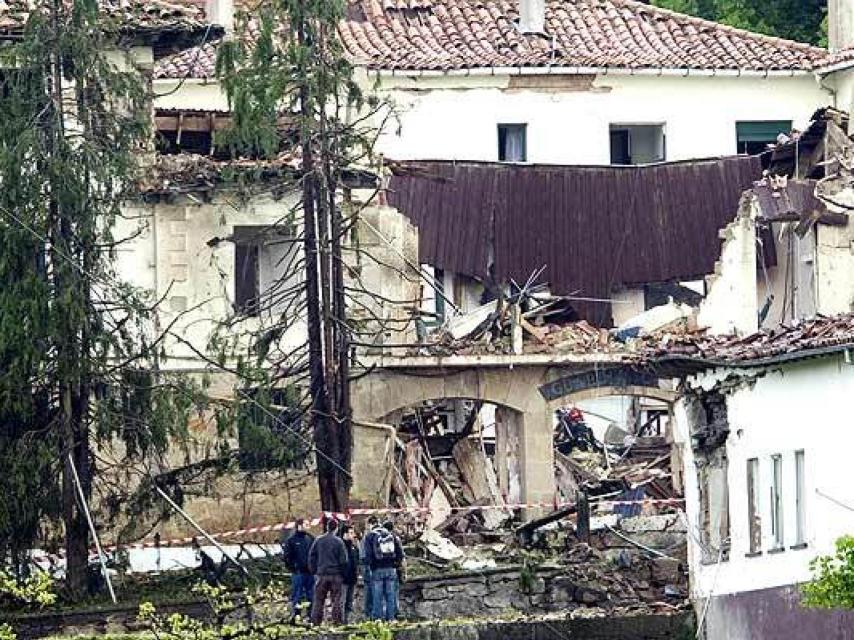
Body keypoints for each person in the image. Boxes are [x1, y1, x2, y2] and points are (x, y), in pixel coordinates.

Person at [308, 518, 348, 625]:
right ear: (336, 528)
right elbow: (344, 560)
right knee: (336, 600)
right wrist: (344, 574)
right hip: (336, 575)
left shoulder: (318, 540)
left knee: (318, 600)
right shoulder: (339, 542)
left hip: (321, 574)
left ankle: (316, 622)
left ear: (327, 527)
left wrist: (314, 570)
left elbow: (311, 556)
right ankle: (337, 622)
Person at [365, 520, 405, 621]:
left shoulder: (370, 536)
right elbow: (400, 554)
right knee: (390, 594)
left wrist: (371, 566)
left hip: (377, 570)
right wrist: (395, 564)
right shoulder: (391, 536)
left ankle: (378, 618)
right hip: (391, 569)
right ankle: (390, 618)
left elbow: (368, 555)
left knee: (377, 595)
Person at [282, 519, 315, 622]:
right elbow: (287, 557)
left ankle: (311, 617)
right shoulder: (291, 540)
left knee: (311, 596)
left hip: (310, 573)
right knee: (297, 595)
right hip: (298, 573)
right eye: (306, 524)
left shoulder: (310, 538)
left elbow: (315, 554)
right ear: (299, 526)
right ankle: (296, 617)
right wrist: (293, 568)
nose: (308, 526)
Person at [339, 524, 360, 623]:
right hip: (342, 579)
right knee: (341, 601)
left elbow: (357, 561)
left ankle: (347, 620)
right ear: (345, 534)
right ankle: (340, 621)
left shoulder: (354, 547)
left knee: (349, 602)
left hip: (352, 578)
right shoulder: (340, 546)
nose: (353, 535)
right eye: (351, 533)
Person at [360, 516, 379, 618]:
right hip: (379, 566)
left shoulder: (367, 536)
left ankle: (369, 613)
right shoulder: (382, 534)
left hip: (368, 566)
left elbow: (362, 554)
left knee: (369, 590)